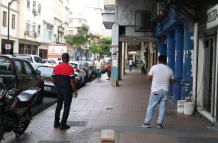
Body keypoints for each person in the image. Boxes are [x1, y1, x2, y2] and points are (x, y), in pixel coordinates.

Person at [143, 55, 174, 128]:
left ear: (158, 60)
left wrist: (155, 78)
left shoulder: (154, 67)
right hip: (165, 91)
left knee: (151, 107)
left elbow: (149, 77)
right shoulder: (169, 69)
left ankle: (147, 123)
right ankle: (159, 124)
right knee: (162, 107)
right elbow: (172, 81)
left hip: (156, 91)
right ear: (165, 61)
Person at [52, 53, 78, 130]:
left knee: (58, 106)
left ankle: (56, 123)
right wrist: (75, 90)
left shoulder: (56, 67)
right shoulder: (70, 68)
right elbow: (72, 81)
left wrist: (56, 85)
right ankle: (63, 124)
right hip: (67, 91)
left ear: (62, 58)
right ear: (68, 59)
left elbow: (52, 78)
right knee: (66, 107)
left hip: (59, 90)